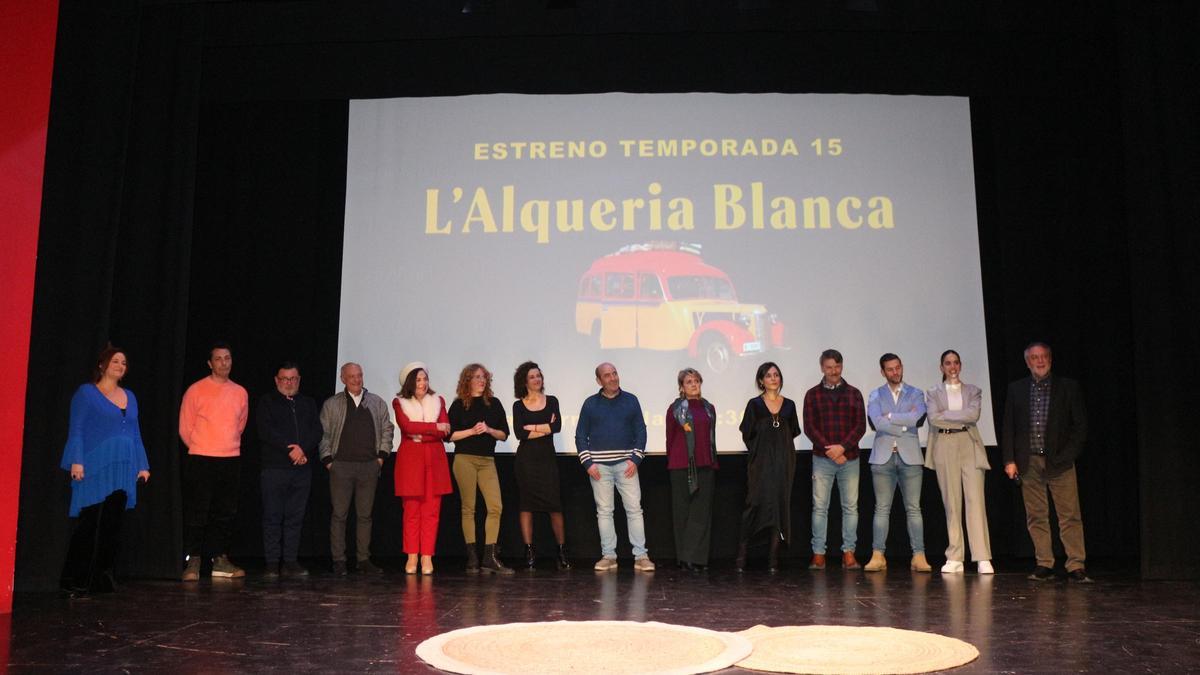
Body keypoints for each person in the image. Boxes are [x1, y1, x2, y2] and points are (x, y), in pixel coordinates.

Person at [59, 346, 150, 594]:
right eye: (115, 361)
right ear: (102, 365)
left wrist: (142, 465)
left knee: (113, 525)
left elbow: (135, 432)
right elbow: (76, 428)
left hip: (123, 467)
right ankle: (74, 580)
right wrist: (76, 460)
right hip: (95, 467)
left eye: (123, 362)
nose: (120, 365)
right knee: (89, 524)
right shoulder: (86, 393)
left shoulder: (130, 396)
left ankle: (102, 578)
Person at [1001, 342, 1091, 582]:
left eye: (1043, 357)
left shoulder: (1067, 387)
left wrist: (1067, 455)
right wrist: (1009, 459)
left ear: (1050, 359)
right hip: (1027, 461)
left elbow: (1079, 427)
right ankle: (1044, 563)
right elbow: (1009, 427)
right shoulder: (1017, 389)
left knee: (1069, 515)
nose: (1039, 361)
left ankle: (1075, 564)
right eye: (1034, 358)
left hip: (1059, 462)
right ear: (1027, 362)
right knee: (1036, 516)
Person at [179, 342, 248, 581]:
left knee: (225, 512)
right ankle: (194, 560)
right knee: (198, 511)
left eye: (227, 358)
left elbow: (240, 425)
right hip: (201, 458)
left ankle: (220, 559)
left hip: (230, 459)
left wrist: (224, 446)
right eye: (218, 359)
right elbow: (185, 428)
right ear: (210, 364)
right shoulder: (196, 390)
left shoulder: (240, 392)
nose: (223, 363)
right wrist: (202, 447)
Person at [575, 362, 654, 572]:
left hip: (626, 465)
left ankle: (641, 556)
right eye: (607, 375)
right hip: (599, 467)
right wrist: (588, 463)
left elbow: (641, 432)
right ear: (599, 381)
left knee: (634, 510)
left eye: (615, 373)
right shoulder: (590, 404)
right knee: (604, 512)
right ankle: (609, 556)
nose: (613, 378)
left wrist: (635, 459)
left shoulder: (630, 400)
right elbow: (581, 435)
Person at [319, 362, 394, 576]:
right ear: (343, 379)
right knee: (339, 515)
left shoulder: (376, 402)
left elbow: (387, 429)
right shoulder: (332, 404)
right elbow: (322, 433)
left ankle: (363, 559)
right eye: (351, 376)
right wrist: (328, 460)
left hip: (369, 467)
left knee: (365, 516)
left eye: (359, 375)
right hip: (341, 466)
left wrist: (381, 457)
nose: (356, 380)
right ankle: (339, 560)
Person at [925, 349, 993, 574]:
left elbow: (972, 416)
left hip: (969, 442)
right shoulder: (933, 392)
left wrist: (948, 414)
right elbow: (934, 418)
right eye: (947, 363)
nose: (952, 367)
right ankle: (955, 556)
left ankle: (982, 556)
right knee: (952, 503)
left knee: (976, 501)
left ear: (960, 365)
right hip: (944, 444)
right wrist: (956, 415)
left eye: (955, 363)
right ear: (941, 367)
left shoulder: (973, 390)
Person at [865, 353, 930, 573]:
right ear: (883, 372)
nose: (895, 372)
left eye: (898, 368)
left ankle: (919, 555)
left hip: (910, 457)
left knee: (913, 508)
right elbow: (876, 421)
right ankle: (878, 555)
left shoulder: (916, 393)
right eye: (890, 369)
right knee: (881, 509)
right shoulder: (875, 394)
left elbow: (917, 418)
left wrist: (890, 416)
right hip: (883, 457)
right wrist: (903, 422)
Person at [803, 348, 866, 571]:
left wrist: (842, 448)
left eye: (837, 367)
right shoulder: (812, 394)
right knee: (820, 507)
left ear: (842, 366)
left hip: (850, 459)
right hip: (822, 459)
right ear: (822, 367)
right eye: (829, 367)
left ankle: (849, 553)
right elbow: (810, 427)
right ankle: (818, 554)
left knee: (850, 507)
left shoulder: (854, 393)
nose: (833, 371)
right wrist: (830, 450)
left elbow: (860, 426)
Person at [257, 361, 322, 578]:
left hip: (302, 469)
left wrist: (302, 449)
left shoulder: (308, 403)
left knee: (296, 517)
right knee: (273, 516)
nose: (289, 383)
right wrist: (290, 450)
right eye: (284, 379)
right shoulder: (267, 402)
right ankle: (272, 563)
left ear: (299, 380)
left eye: (293, 378)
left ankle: (290, 561)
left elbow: (317, 430)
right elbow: (266, 431)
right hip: (275, 468)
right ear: (276, 380)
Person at [735, 362, 800, 572]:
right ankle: (741, 558)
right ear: (761, 380)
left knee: (780, 507)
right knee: (754, 505)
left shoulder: (789, 405)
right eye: (768, 375)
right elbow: (747, 433)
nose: (773, 378)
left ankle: (773, 561)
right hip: (760, 465)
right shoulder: (754, 405)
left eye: (776, 375)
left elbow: (792, 432)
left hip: (784, 464)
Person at [448, 364, 513, 575]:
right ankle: (472, 558)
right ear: (467, 380)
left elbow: (504, 434)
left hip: (487, 460)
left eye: (484, 377)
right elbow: (449, 436)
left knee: (496, 506)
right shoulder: (458, 405)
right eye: (477, 377)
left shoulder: (494, 404)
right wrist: (471, 431)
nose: (481, 380)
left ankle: (489, 557)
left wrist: (489, 429)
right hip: (464, 459)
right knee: (469, 508)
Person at [393, 362, 452, 575]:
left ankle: (427, 557)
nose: (423, 383)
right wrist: (434, 427)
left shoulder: (438, 401)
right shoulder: (400, 403)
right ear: (410, 382)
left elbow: (445, 431)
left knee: (432, 511)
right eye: (418, 380)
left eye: (425, 379)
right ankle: (411, 556)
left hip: (435, 461)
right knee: (411, 512)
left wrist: (425, 431)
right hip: (411, 462)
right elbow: (407, 428)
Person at [511, 361, 570, 570]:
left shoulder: (552, 401)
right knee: (526, 505)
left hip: (547, 460)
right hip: (526, 461)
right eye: (532, 377)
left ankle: (561, 550)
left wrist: (534, 427)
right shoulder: (518, 405)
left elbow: (557, 426)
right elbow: (520, 434)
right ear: (524, 382)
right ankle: (529, 550)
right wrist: (545, 427)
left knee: (555, 505)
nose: (537, 380)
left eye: (539, 376)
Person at [665, 368, 719, 571]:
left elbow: (711, 437)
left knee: (702, 513)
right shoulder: (675, 409)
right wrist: (673, 460)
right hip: (681, 466)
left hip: (706, 464)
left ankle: (699, 559)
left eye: (696, 381)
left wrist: (712, 461)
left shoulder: (709, 407)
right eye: (689, 382)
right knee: (683, 513)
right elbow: (670, 437)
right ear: (681, 387)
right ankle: (684, 558)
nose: (694, 384)